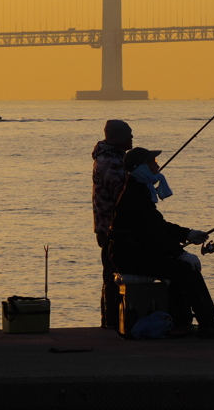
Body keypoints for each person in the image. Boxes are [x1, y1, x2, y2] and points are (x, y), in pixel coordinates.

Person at [109, 147, 214, 339]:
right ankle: (207, 323)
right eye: (152, 162)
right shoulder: (134, 197)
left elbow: (158, 226)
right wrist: (181, 254)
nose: (157, 165)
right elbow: (154, 233)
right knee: (185, 269)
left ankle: (181, 322)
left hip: (136, 252)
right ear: (141, 168)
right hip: (130, 257)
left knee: (180, 269)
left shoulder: (140, 189)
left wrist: (189, 234)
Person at [92, 119, 133, 328]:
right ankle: (110, 323)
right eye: (129, 136)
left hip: (107, 227)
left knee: (112, 274)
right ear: (118, 139)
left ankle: (112, 321)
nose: (132, 138)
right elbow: (121, 194)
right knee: (112, 276)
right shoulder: (111, 162)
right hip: (112, 229)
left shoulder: (113, 158)